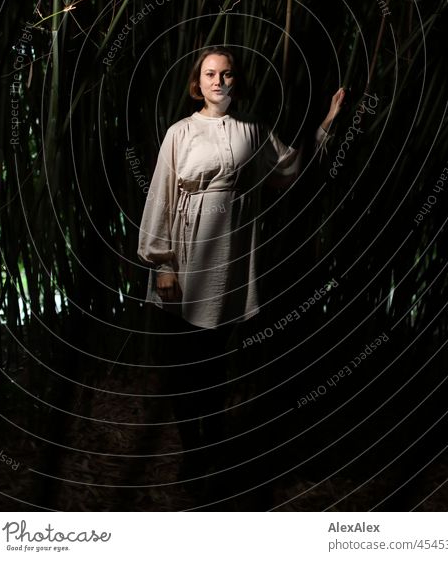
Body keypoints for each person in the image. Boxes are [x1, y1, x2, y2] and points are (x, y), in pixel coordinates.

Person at [137, 46, 344, 495]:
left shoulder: (253, 130)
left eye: (226, 74)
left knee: (213, 363)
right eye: (210, 74)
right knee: (182, 364)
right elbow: (160, 195)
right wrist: (163, 265)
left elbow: (288, 169)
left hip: (229, 262)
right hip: (186, 255)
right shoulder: (180, 132)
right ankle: (192, 451)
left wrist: (326, 124)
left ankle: (210, 451)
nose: (218, 81)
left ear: (236, 81)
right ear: (198, 83)